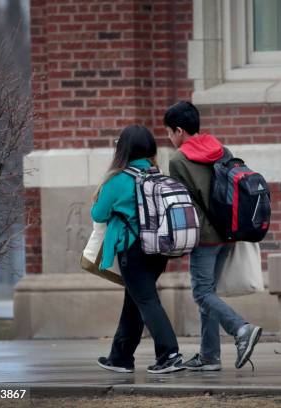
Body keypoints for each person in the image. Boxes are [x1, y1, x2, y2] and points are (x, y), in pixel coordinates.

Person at [165, 101, 262, 371]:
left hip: (204, 237)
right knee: (209, 292)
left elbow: (185, 205)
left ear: (180, 131)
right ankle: (209, 357)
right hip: (228, 233)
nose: (169, 138)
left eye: (169, 132)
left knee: (202, 293)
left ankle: (241, 329)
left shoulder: (178, 160)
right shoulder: (221, 149)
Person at [91, 124, 184, 374]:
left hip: (132, 252)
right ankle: (120, 357)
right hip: (158, 250)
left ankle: (170, 354)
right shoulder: (157, 174)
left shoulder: (118, 179)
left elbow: (98, 214)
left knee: (146, 300)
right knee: (134, 301)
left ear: (123, 149)